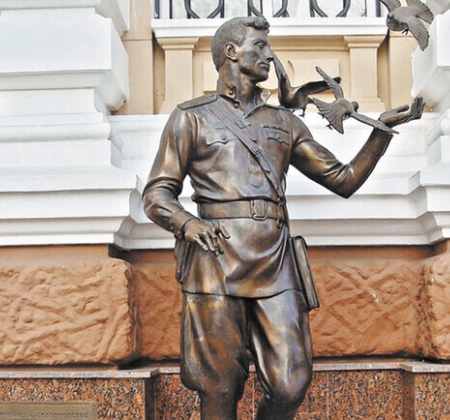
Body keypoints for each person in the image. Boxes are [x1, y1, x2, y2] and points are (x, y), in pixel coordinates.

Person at [143, 16, 423, 420]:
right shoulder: (191, 117)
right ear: (230, 52)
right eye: (259, 46)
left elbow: (343, 179)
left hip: (275, 262)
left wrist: (380, 133)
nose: (269, 56)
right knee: (218, 386)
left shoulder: (284, 121)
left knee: (291, 382)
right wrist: (188, 224)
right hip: (214, 263)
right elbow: (157, 193)